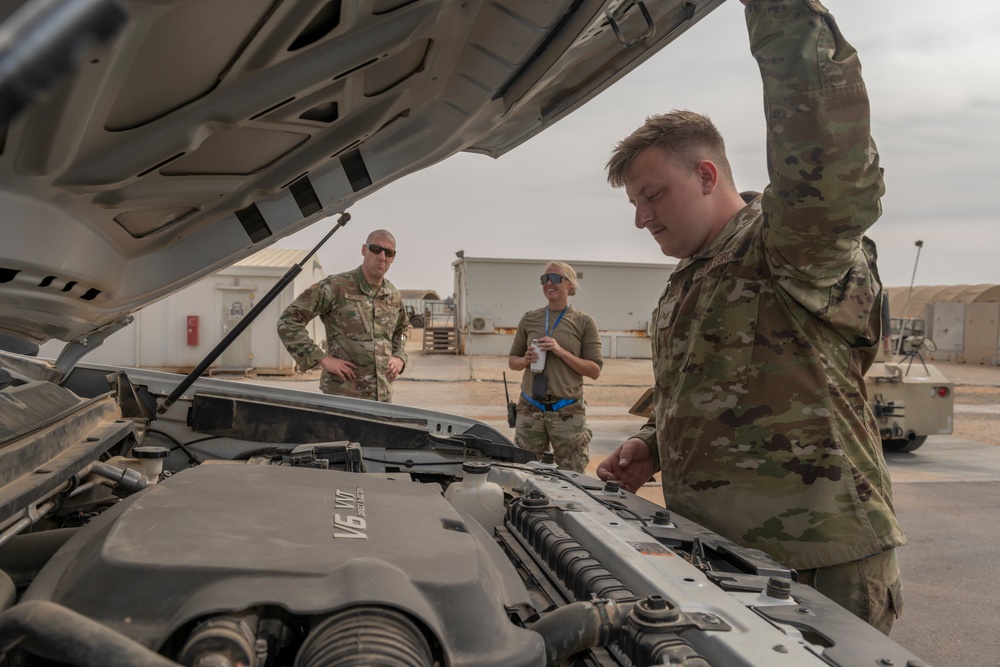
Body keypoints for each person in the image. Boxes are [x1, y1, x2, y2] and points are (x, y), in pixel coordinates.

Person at [595, 0, 904, 634]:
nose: (641, 218)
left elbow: (823, 151)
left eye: (653, 195)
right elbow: (722, 391)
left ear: (706, 174)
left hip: (815, 568)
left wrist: (776, 9)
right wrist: (652, 445)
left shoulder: (788, 248)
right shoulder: (692, 280)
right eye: (634, 202)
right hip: (718, 558)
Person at [277, 230, 407, 402]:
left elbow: (401, 331)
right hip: (343, 396)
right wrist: (320, 358)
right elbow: (289, 321)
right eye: (375, 249)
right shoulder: (336, 286)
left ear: (393, 258)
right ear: (364, 250)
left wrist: (399, 357)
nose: (382, 257)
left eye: (388, 252)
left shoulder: (392, 295)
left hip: (382, 398)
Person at [508, 262, 603, 472]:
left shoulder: (584, 322)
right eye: (544, 279)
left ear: (569, 284)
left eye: (555, 278)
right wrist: (526, 360)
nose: (549, 283)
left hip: (567, 410)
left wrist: (560, 352)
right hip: (530, 408)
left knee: (573, 475)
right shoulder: (530, 318)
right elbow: (512, 361)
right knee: (524, 471)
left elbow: (594, 370)